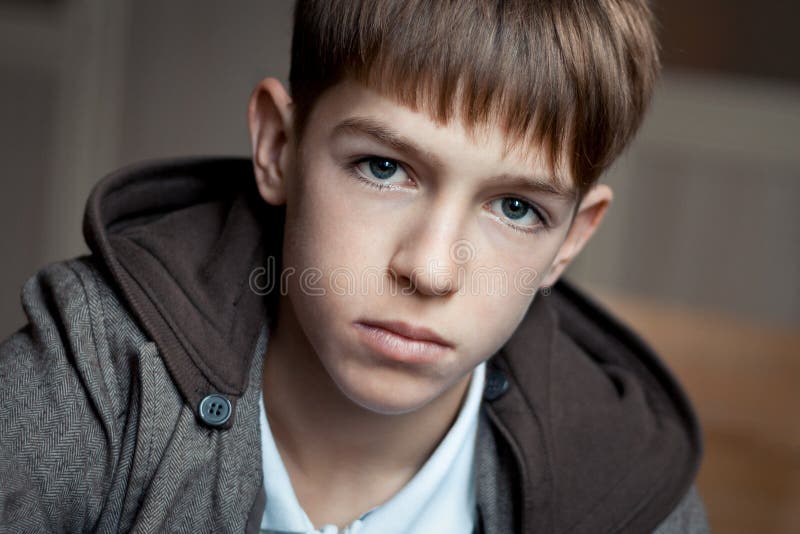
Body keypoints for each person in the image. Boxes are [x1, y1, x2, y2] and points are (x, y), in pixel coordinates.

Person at [0, 1, 710, 532]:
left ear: (571, 241)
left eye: (517, 209)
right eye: (383, 167)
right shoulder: (95, 382)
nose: (431, 271)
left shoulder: (630, 490)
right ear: (278, 146)